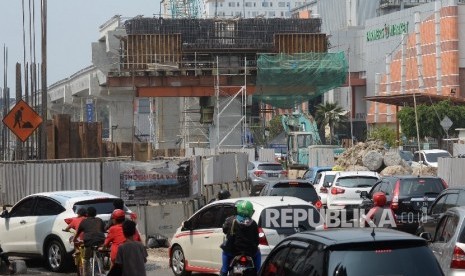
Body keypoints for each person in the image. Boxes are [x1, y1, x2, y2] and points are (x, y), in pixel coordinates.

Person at [220, 200, 260, 276]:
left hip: (233, 252)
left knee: (225, 253)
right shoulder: (253, 223)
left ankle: (224, 272)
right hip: (250, 252)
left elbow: (224, 230)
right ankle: (259, 272)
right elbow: (257, 240)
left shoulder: (230, 220)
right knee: (258, 253)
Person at [73, 206, 106, 276]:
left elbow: (78, 233)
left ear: (87, 214)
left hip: (89, 242)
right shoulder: (100, 220)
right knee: (99, 256)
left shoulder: (84, 221)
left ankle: (86, 273)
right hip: (100, 241)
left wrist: (74, 240)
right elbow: (104, 230)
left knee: (86, 258)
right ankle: (102, 270)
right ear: (96, 214)